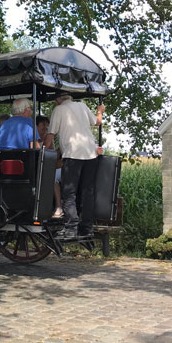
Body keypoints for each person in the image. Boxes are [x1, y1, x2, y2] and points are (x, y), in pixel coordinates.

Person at [45, 94, 105, 238]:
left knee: (69, 192)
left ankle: (71, 228)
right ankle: (87, 228)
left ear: (58, 100)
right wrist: (100, 111)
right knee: (87, 192)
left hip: (72, 154)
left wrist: (43, 151)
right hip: (90, 154)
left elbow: (50, 134)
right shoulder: (82, 106)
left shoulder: (59, 110)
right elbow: (97, 122)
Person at [38, 115, 62, 217]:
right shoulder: (34, 139)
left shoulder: (49, 138)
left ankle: (59, 205)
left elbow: (53, 155)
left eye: (47, 125)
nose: (45, 127)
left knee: (53, 176)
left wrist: (60, 150)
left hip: (50, 166)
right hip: (40, 167)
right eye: (43, 124)